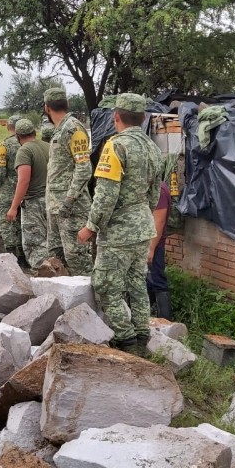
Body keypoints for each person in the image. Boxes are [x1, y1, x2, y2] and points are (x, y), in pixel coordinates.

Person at [78, 93, 163, 351]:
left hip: (117, 233)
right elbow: (154, 194)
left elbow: (105, 194)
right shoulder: (153, 148)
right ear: (144, 117)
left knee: (105, 287)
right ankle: (142, 336)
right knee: (137, 285)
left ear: (116, 117)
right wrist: (140, 218)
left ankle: (126, 340)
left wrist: (90, 226)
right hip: (142, 228)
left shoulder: (115, 145)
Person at [44, 87, 93, 275]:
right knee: (56, 258)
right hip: (56, 207)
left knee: (78, 260)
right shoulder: (60, 129)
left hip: (71, 209)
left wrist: (69, 200)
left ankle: (89, 303)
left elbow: (84, 168)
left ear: (47, 108)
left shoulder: (72, 128)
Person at [6, 118, 51, 269]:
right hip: (51, 199)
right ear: (35, 132)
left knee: (35, 244)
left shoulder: (24, 150)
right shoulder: (47, 146)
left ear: (17, 136)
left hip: (34, 203)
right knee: (50, 240)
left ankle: (43, 275)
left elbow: (23, 181)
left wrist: (13, 207)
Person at [0, 115, 24, 264]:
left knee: (5, 223)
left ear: (7, 126)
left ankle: (11, 255)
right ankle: (23, 255)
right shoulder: (27, 144)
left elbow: (0, 171)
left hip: (8, 190)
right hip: (25, 189)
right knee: (20, 223)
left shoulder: (4, 145)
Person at [148, 180, 172, 319]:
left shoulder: (159, 190)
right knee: (148, 282)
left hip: (154, 245)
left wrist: (151, 248)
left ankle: (166, 324)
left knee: (157, 282)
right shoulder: (149, 186)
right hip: (145, 244)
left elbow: (159, 221)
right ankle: (149, 320)